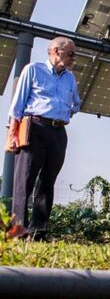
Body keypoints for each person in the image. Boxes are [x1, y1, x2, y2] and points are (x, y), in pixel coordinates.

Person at [7, 37, 80, 240]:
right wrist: (12, 134)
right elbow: (17, 105)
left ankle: (39, 230)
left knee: (48, 181)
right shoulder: (33, 70)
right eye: (71, 53)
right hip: (35, 127)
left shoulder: (70, 78)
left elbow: (76, 104)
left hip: (58, 131)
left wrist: (62, 112)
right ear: (56, 51)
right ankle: (17, 231)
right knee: (25, 180)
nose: (74, 57)